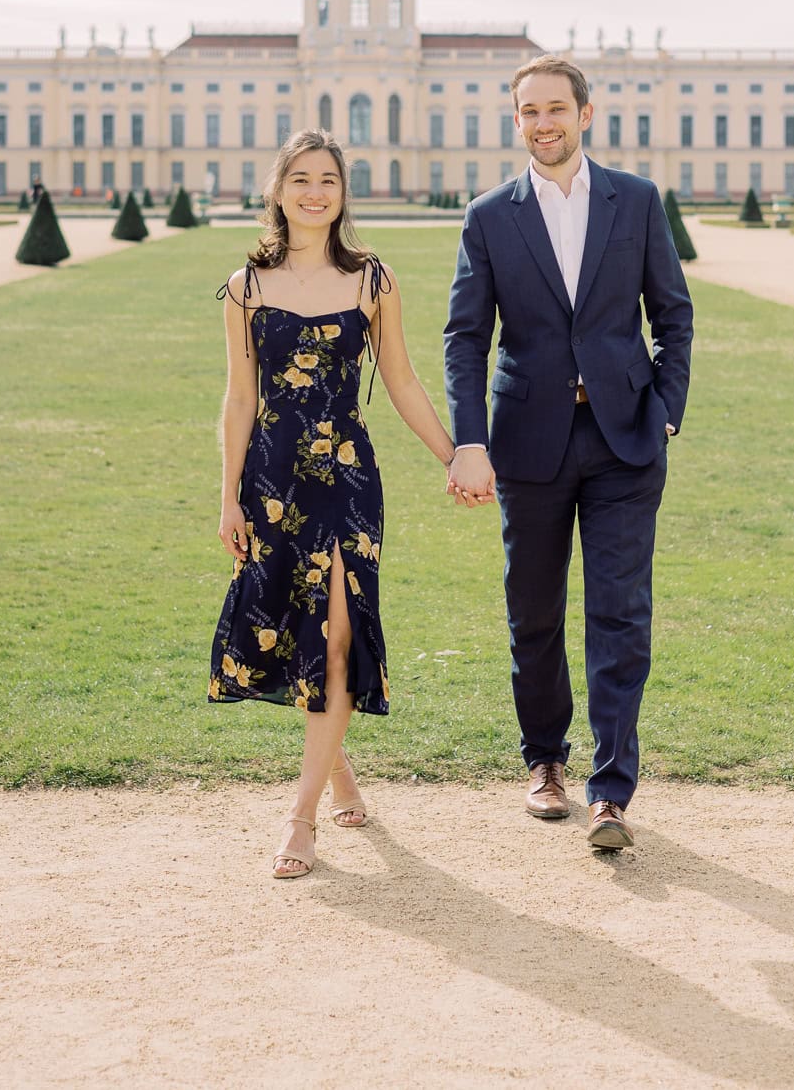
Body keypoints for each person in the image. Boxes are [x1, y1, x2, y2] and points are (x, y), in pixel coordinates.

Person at [444, 56, 693, 852]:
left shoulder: (637, 199)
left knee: (620, 614)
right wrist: (470, 439)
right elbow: (466, 337)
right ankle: (545, 762)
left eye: (556, 107)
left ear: (586, 113)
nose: (543, 122)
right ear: (515, 121)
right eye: (529, 111)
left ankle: (611, 790)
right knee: (535, 611)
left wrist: (666, 415)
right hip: (528, 442)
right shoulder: (489, 216)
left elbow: (673, 317)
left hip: (624, 439)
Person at [211, 128, 459, 879]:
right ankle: (338, 767)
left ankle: (300, 818)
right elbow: (240, 396)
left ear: (342, 193)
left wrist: (457, 456)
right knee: (297, 630)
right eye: (301, 179)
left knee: (340, 631)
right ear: (278, 190)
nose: (315, 191)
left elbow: (406, 382)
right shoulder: (244, 287)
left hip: (348, 481)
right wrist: (228, 495)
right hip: (274, 482)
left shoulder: (373, 279)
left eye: (328, 179)